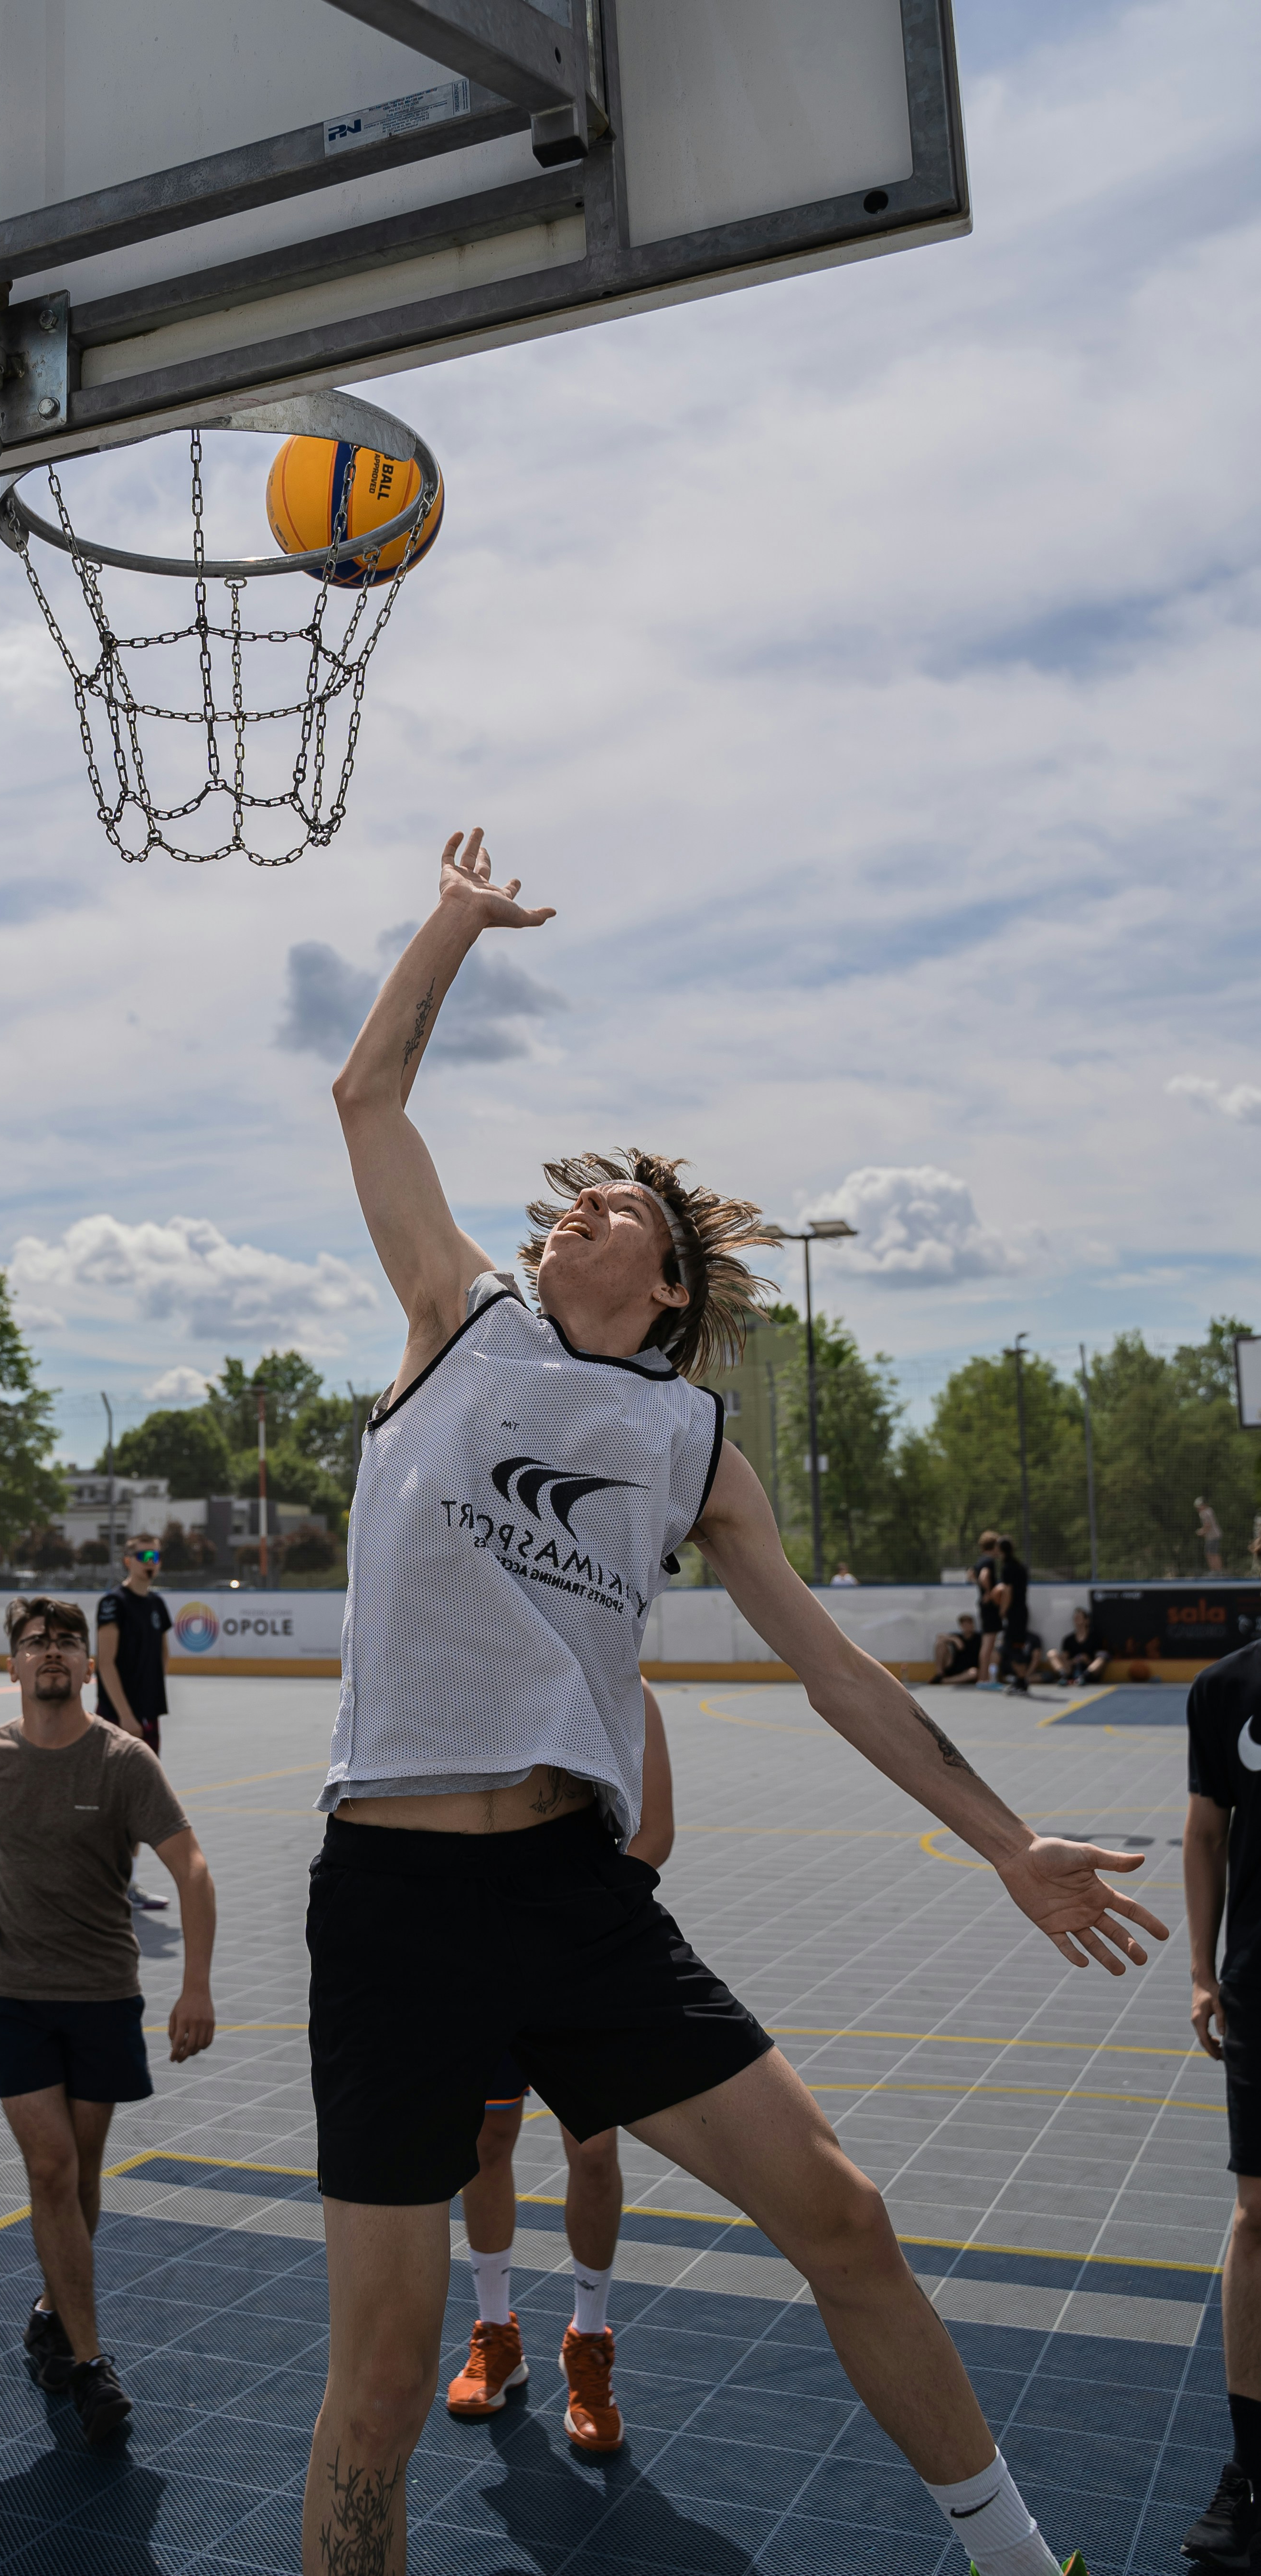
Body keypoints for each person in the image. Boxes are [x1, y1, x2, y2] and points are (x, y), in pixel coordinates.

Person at [302, 827, 1162, 2576]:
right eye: (566, 1199)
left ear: (670, 1284)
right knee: (383, 2373)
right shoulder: (455, 1319)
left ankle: (1017, 2560)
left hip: (571, 1894)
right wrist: (456, 922)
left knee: (845, 2214)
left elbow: (835, 1666)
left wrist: (1004, 1841)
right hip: (390, 1897)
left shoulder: (692, 1440)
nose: (569, 1212)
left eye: (606, 1207)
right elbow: (365, 1090)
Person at [0, 1594, 216, 2444]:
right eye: (35, 1643)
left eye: (67, 1640)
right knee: (51, 2169)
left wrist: (197, 1987)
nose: (53, 1653)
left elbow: (192, 1867)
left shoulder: (123, 1761)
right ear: (14, 1665)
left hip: (102, 1991)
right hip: (11, 1994)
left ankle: (49, 2308)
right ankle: (90, 2362)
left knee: (81, 2177)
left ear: (80, 1662)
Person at [446, 1681, 675, 2451]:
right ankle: (494, 2331)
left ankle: (588, 2340)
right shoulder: (483, 1688)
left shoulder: (626, 1695)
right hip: (488, 1952)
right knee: (486, 2144)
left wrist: (576, 1926)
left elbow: (654, 1833)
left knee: (596, 2151)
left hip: (584, 1955)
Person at [1181, 1621, 1261, 2566]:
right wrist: (1199, 1972)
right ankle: (1249, 2467)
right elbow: (1206, 1833)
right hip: (1257, 1989)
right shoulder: (1225, 1691)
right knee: (1256, 2218)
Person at [97, 1537, 176, 1910]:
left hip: (148, 1717)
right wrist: (125, 1713)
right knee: (114, 1800)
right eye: (144, 1556)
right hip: (119, 1718)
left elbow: (163, 1652)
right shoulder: (114, 1603)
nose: (152, 1562)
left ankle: (127, 1882)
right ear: (127, 1560)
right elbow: (106, 1661)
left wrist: (148, 1700)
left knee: (139, 1800)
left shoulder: (158, 1604)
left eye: (156, 1556)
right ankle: (103, 1881)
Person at [993, 1535, 1032, 1695]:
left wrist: (1003, 1610)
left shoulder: (1008, 1568)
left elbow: (1008, 1591)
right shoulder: (1019, 1567)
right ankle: (1020, 1680)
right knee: (1014, 1646)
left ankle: (1022, 1681)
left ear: (1001, 1549)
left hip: (1015, 1613)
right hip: (1021, 1611)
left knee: (1013, 1647)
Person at [970, 1529, 1003, 1686]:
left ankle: (984, 1677)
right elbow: (984, 1576)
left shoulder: (980, 1561)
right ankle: (984, 1679)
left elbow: (971, 1575)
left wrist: (982, 1590)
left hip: (985, 1607)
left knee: (988, 1642)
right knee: (989, 1643)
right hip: (990, 1608)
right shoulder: (989, 1562)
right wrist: (989, 1592)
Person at [1048, 1608, 1108, 1689]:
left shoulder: (1095, 1638)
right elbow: (1065, 1659)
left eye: (1080, 1618)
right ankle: (1063, 1676)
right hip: (1072, 1669)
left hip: (1089, 1669)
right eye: (1075, 1618)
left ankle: (1084, 1676)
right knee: (1052, 1653)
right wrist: (1074, 1661)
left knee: (1103, 1656)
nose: (1077, 1620)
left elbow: (1099, 1659)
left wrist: (1086, 1660)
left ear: (1087, 1621)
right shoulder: (1069, 1640)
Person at [927, 1613, 982, 1687]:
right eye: (965, 1625)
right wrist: (954, 1640)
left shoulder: (979, 1638)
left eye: (969, 1624)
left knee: (974, 1672)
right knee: (940, 1645)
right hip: (954, 1666)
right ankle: (939, 1675)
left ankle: (943, 1681)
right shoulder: (957, 1636)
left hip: (969, 1669)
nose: (967, 1627)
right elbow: (939, 1637)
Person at [1198, 1497, 1225, 1575]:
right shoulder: (1210, 1511)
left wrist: (1201, 1532)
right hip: (1214, 1536)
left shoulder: (1204, 1513)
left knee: (1211, 1553)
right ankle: (1217, 1571)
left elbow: (1208, 1526)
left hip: (1213, 1537)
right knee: (1212, 1553)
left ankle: (1216, 1571)